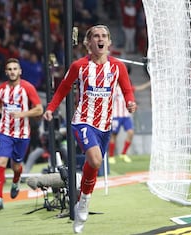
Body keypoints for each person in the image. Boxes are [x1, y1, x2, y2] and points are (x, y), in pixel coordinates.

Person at [43, 25, 136, 233]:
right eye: (96, 36)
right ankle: (83, 202)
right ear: (88, 43)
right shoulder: (79, 66)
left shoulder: (117, 66)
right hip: (83, 122)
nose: (100, 39)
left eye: (104, 36)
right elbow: (63, 88)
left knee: (93, 165)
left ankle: (82, 198)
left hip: (105, 126)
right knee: (94, 160)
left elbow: (127, 90)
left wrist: (130, 103)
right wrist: (50, 108)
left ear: (109, 42)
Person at [0, 58, 43, 210]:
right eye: (9, 69)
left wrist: (23, 114)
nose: (12, 72)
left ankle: (16, 181)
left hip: (22, 134)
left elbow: (39, 109)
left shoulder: (28, 88)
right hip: (5, 132)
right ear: (6, 72)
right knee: (1, 162)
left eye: (15, 69)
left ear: (20, 71)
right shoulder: (1, 89)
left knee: (16, 166)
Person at [108, 80, 150, 164]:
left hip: (126, 116)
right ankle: (111, 156)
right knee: (114, 135)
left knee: (130, 132)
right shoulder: (113, 89)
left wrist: (149, 83)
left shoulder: (128, 89)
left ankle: (123, 154)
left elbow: (139, 88)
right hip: (116, 116)